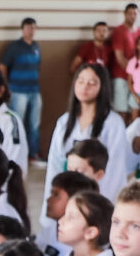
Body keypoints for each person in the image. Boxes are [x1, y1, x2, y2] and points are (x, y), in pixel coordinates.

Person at [46, 64, 131, 200]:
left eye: (92, 83)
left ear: (102, 87)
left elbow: (115, 169)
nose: (85, 87)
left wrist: (99, 202)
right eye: (80, 81)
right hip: (68, 192)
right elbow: (55, 163)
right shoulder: (64, 121)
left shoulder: (113, 123)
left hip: (96, 195)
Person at [0, 20, 43, 152]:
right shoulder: (15, 47)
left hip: (34, 91)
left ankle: (33, 153)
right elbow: (2, 66)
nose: (31, 31)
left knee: (35, 125)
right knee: (17, 124)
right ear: (23, 30)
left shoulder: (36, 47)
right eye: (29, 28)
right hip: (18, 92)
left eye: (34, 28)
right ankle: (16, 152)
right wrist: (7, 86)